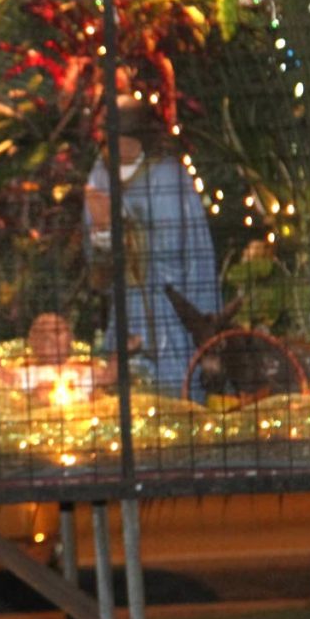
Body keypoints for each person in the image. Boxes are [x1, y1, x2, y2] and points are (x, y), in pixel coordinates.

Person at [83, 95, 219, 399]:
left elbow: (174, 247)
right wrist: (102, 234)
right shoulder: (100, 174)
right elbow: (97, 260)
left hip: (167, 300)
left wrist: (121, 224)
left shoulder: (167, 174)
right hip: (128, 298)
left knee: (170, 371)